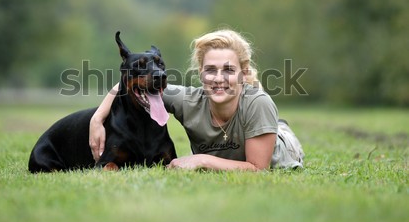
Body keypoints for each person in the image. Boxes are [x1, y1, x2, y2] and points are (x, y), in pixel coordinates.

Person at [89, 29, 304, 171]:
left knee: (278, 132)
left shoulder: (258, 103)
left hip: (283, 148)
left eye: (228, 70)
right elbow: (126, 86)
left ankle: (279, 127)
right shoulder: (188, 100)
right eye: (210, 70)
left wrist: (200, 160)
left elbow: (257, 169)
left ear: (243, 73)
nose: (219, 78)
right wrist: (96, 119)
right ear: (200, 73)